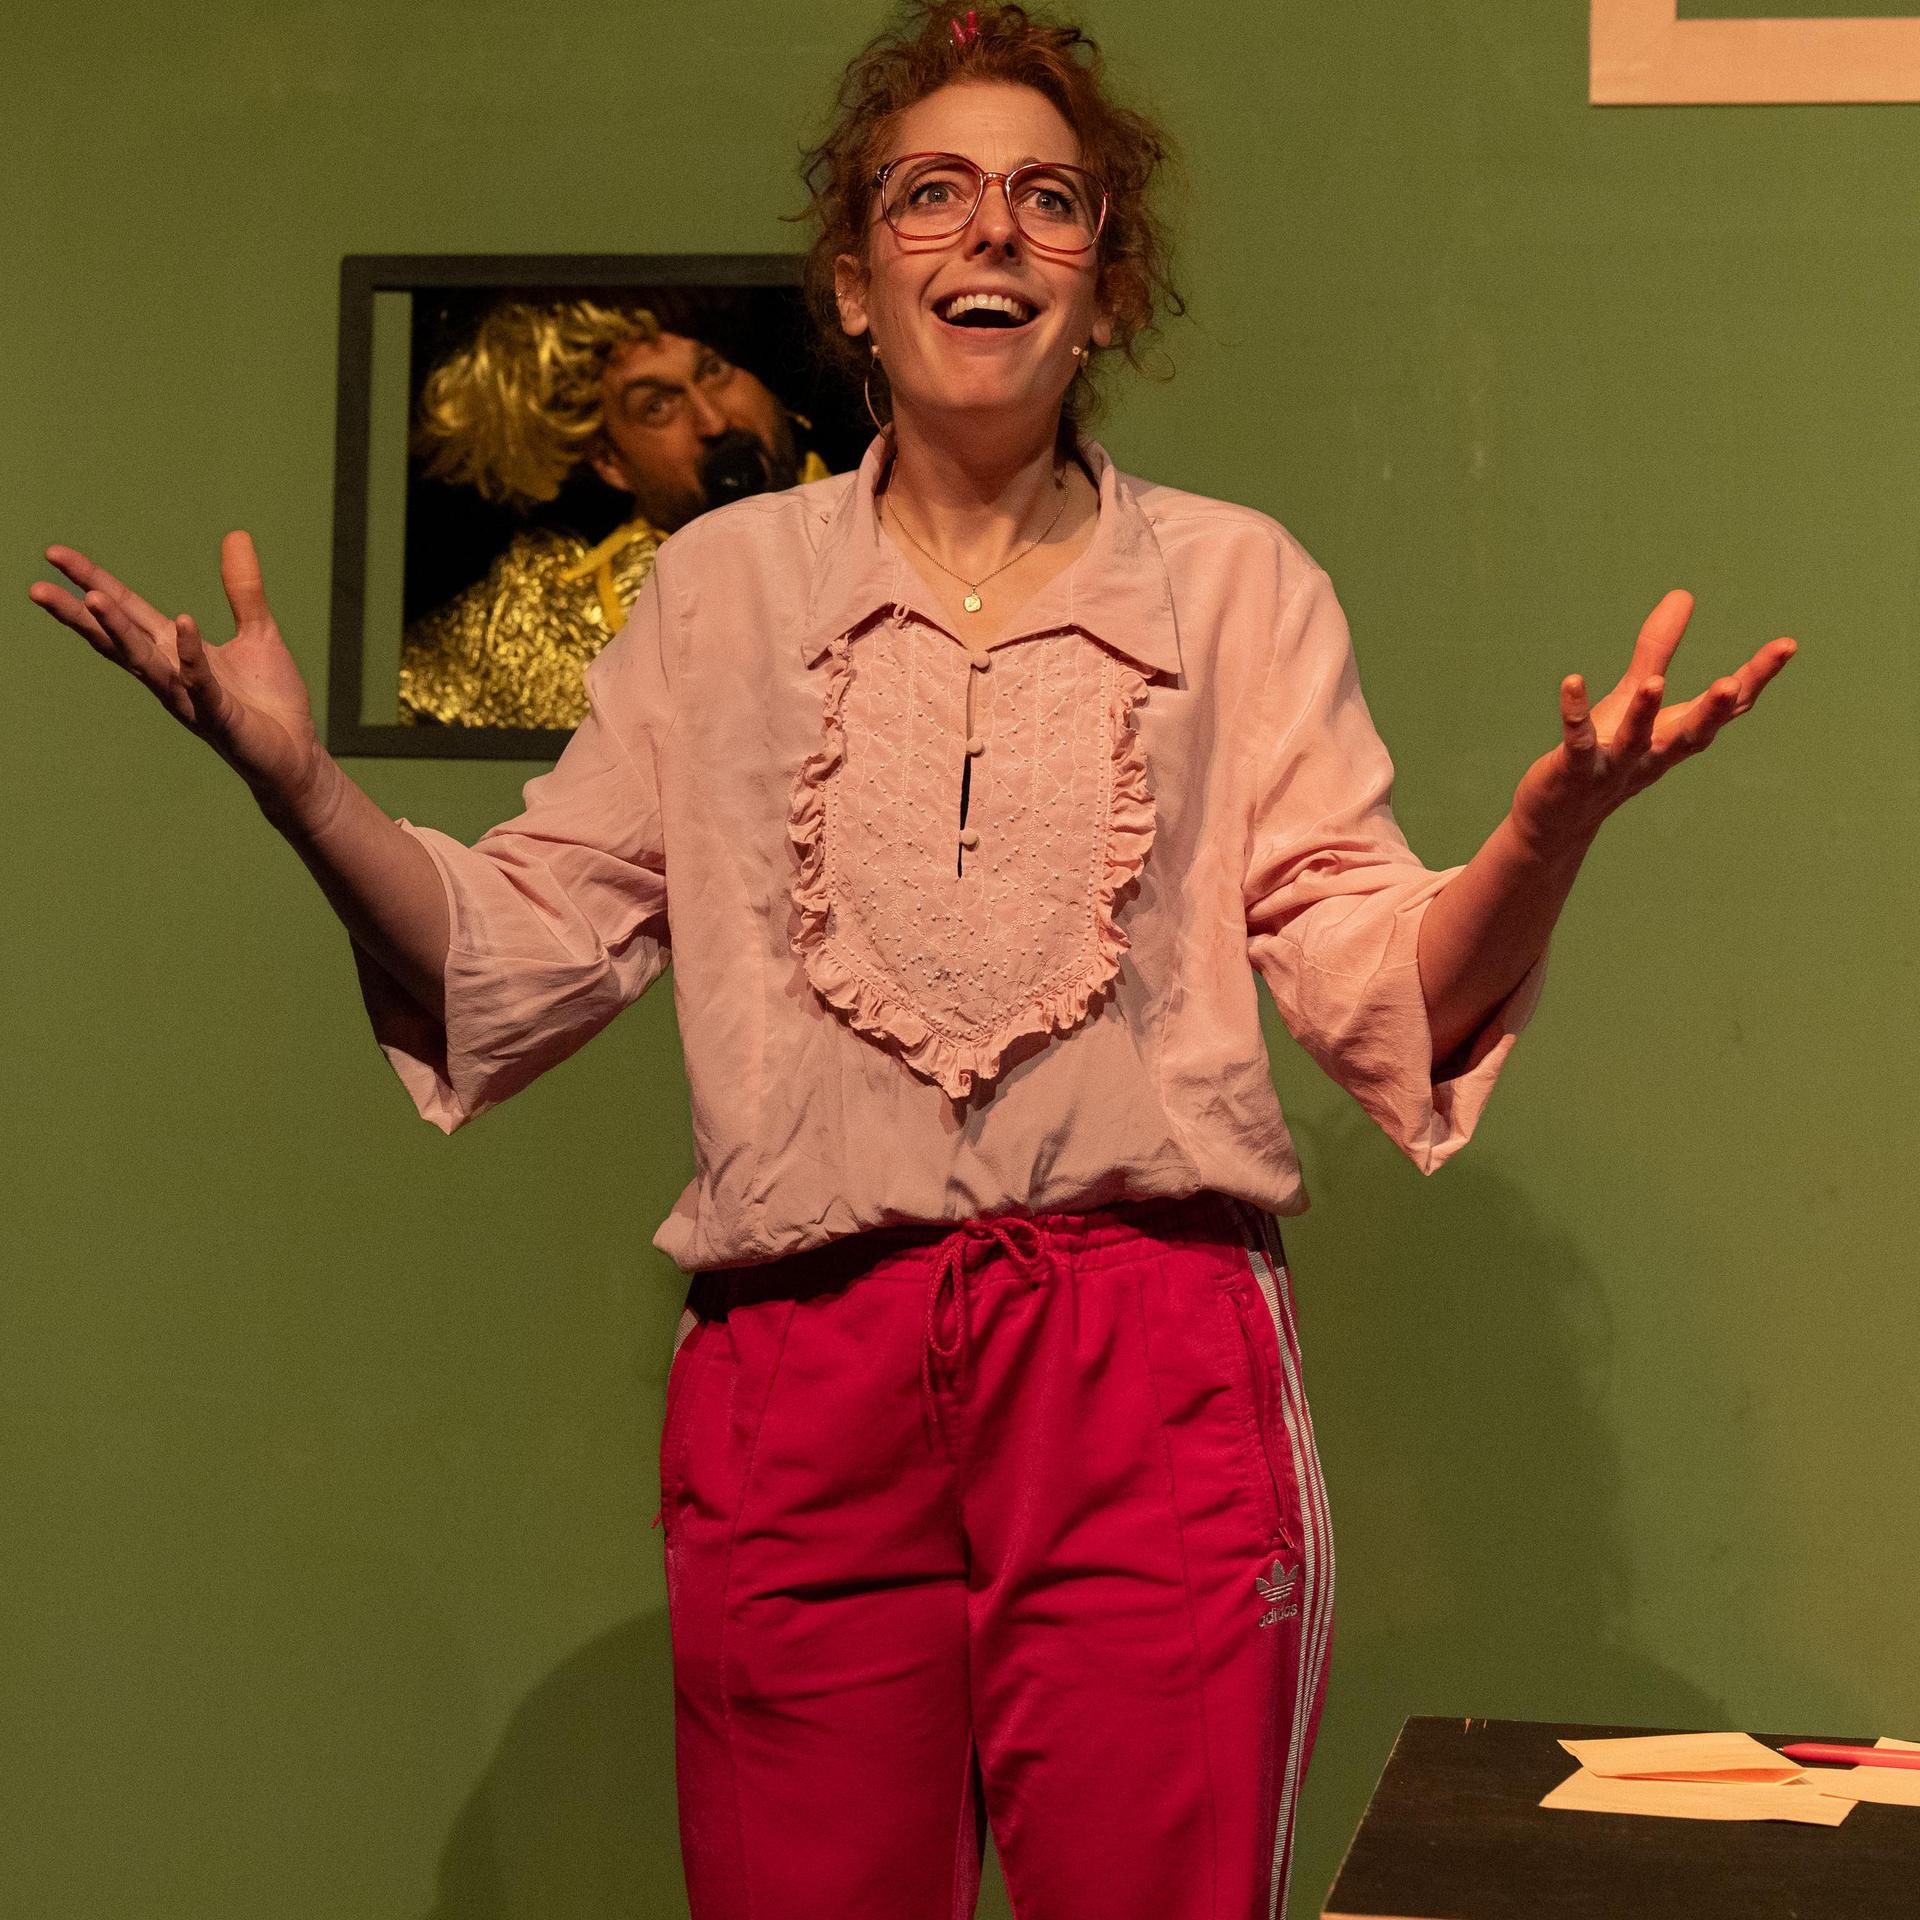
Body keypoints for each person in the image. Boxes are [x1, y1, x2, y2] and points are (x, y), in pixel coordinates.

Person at [27, 4, 1795, 1915]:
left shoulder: (1238, 585)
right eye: (930, 194)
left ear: (1105, 290)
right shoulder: (718, 594)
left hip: (1147, 1361)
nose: (993, 230)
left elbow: (1385, 986)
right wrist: (302, 791)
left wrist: (1546, 835)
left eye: (1052, 200)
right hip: (802, 1373)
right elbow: (515, 954)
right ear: (856, 287)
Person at [400, 291, 831, 728]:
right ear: (609, 462)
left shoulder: (873, 515)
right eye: (657, 407)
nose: (714, 421)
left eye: (713, 370)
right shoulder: (547, 617)